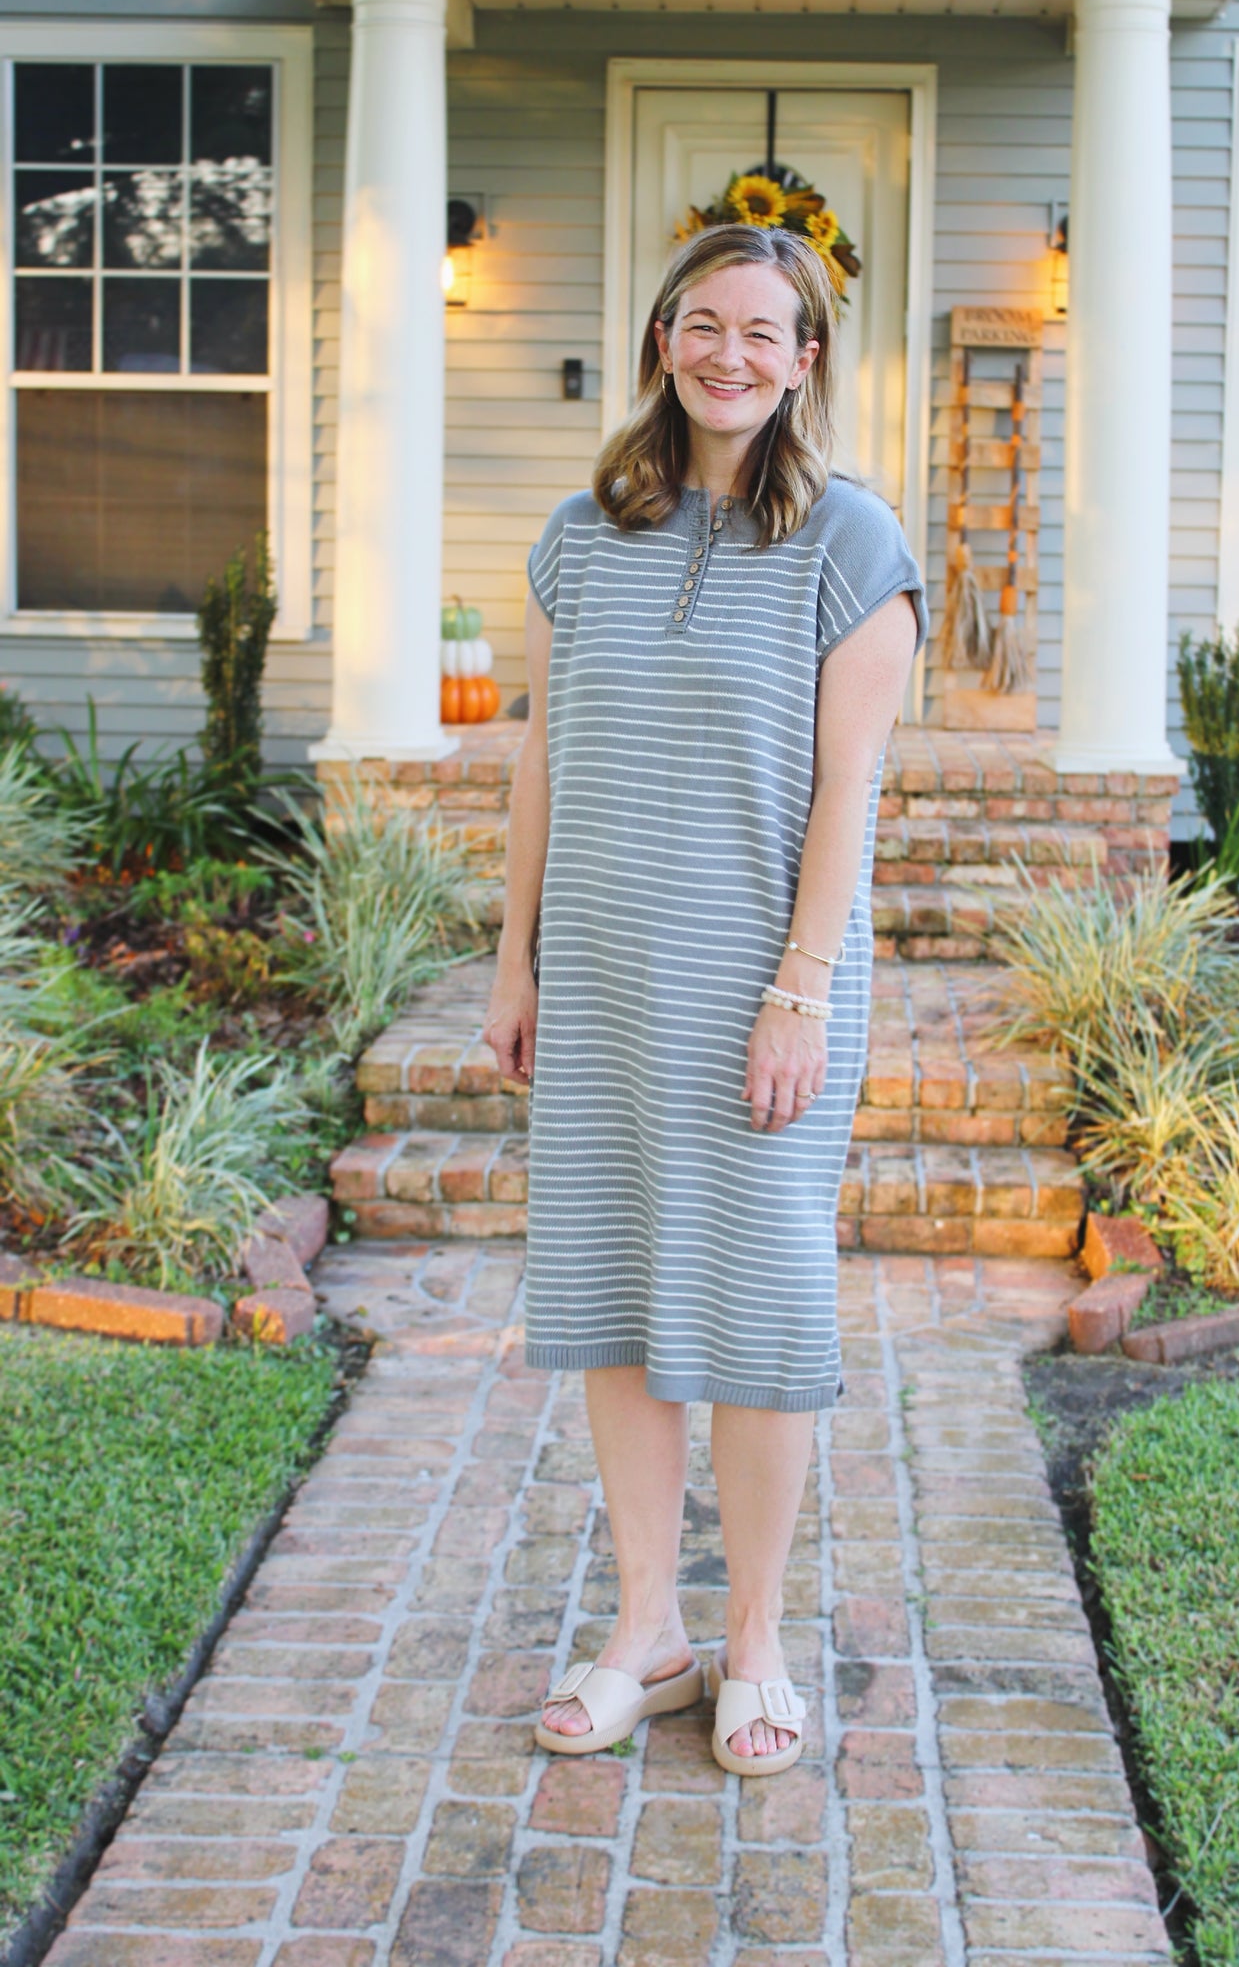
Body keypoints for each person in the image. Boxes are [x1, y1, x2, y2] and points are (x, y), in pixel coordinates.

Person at [483, 220, 926, 1778]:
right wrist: (514, 956)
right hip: (602, 977)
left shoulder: (849, 543)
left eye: (764, 330)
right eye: (702, 322)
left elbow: (846, 784)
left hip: (763, 986)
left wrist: (799, 987)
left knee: (750, 1312)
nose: (728, 353)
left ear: (805, 361)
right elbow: (539, 752)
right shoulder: (577, 534)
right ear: (662, 333)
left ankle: (750, 1643)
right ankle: (644, 1632)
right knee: (612, 1298)